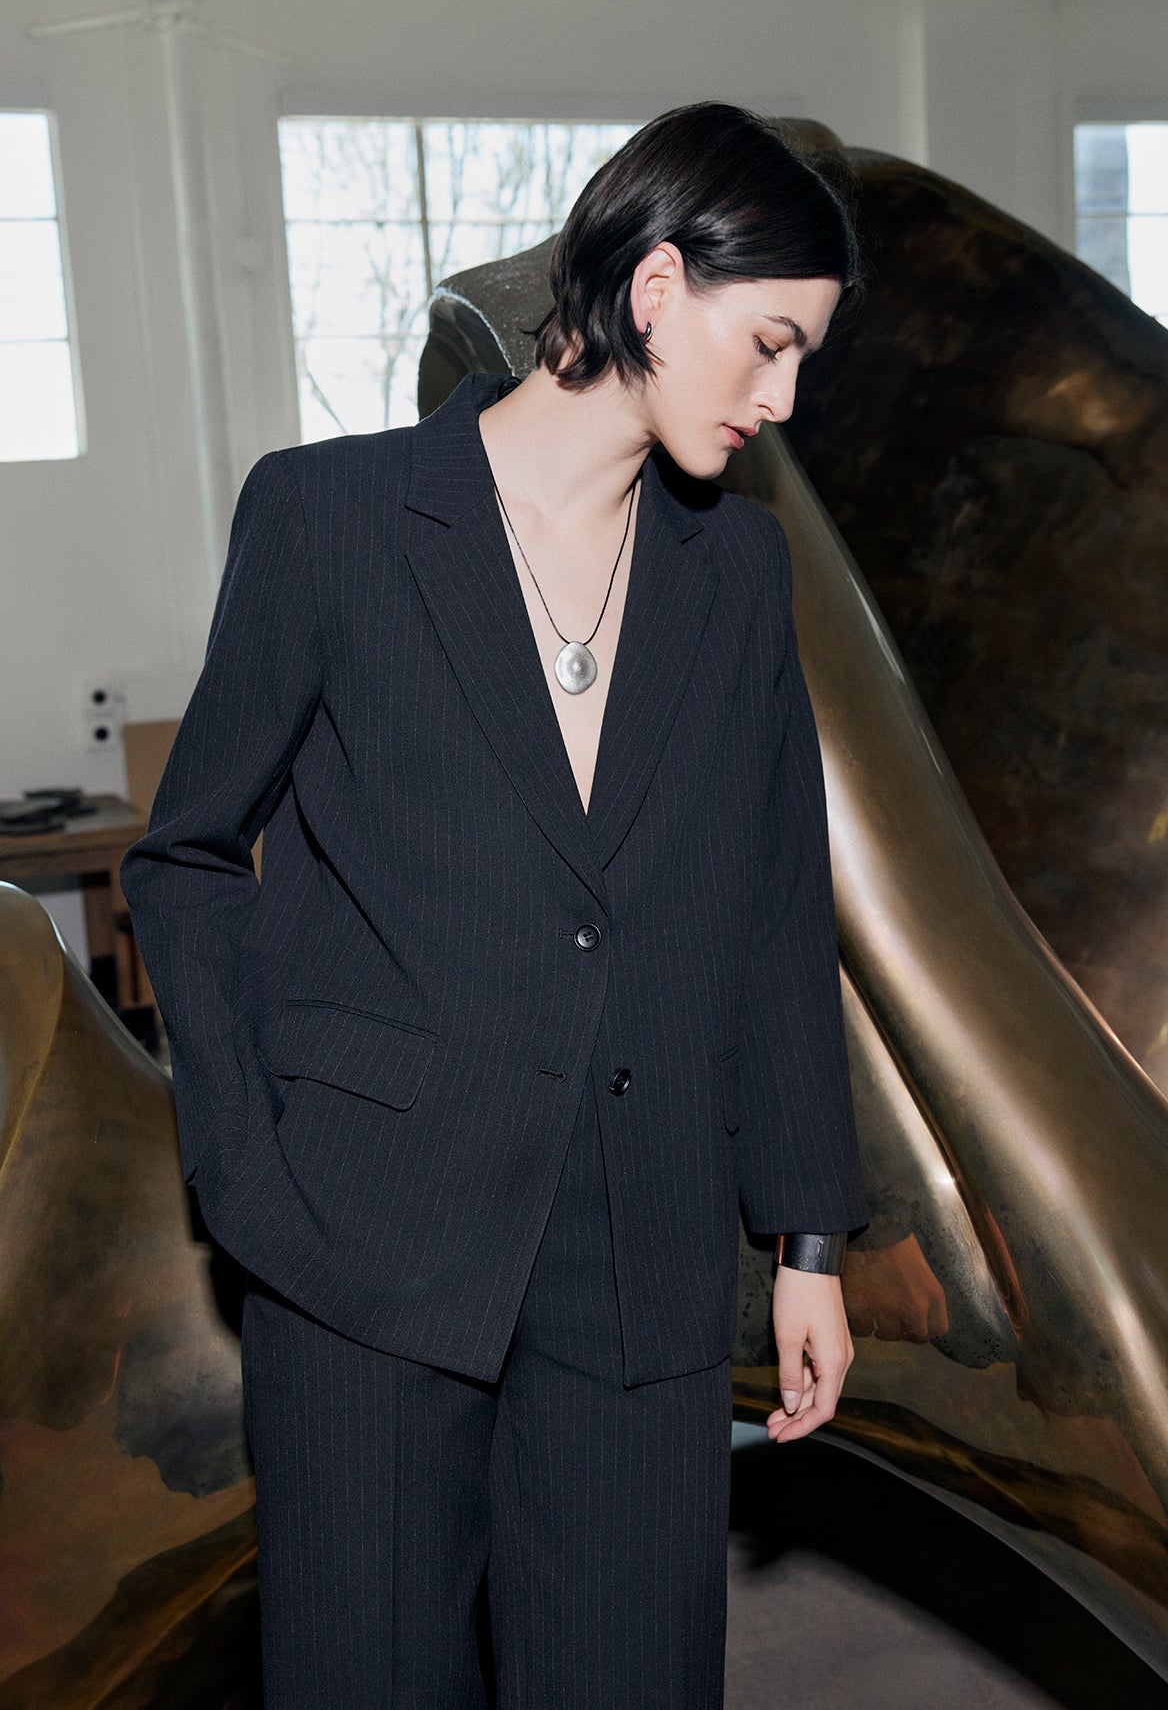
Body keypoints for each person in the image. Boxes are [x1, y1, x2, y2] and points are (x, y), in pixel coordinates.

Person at [119, 99, 871, 1710]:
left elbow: (771, 917)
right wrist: (245, 1170)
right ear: (656, 288)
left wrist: (809, 1239)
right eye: (770, 344)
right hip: (364, 1253)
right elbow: (183, 859)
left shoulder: (736, 576)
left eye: (804, 359)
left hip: (642, 1264)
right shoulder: (329, 518)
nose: (782, 397)